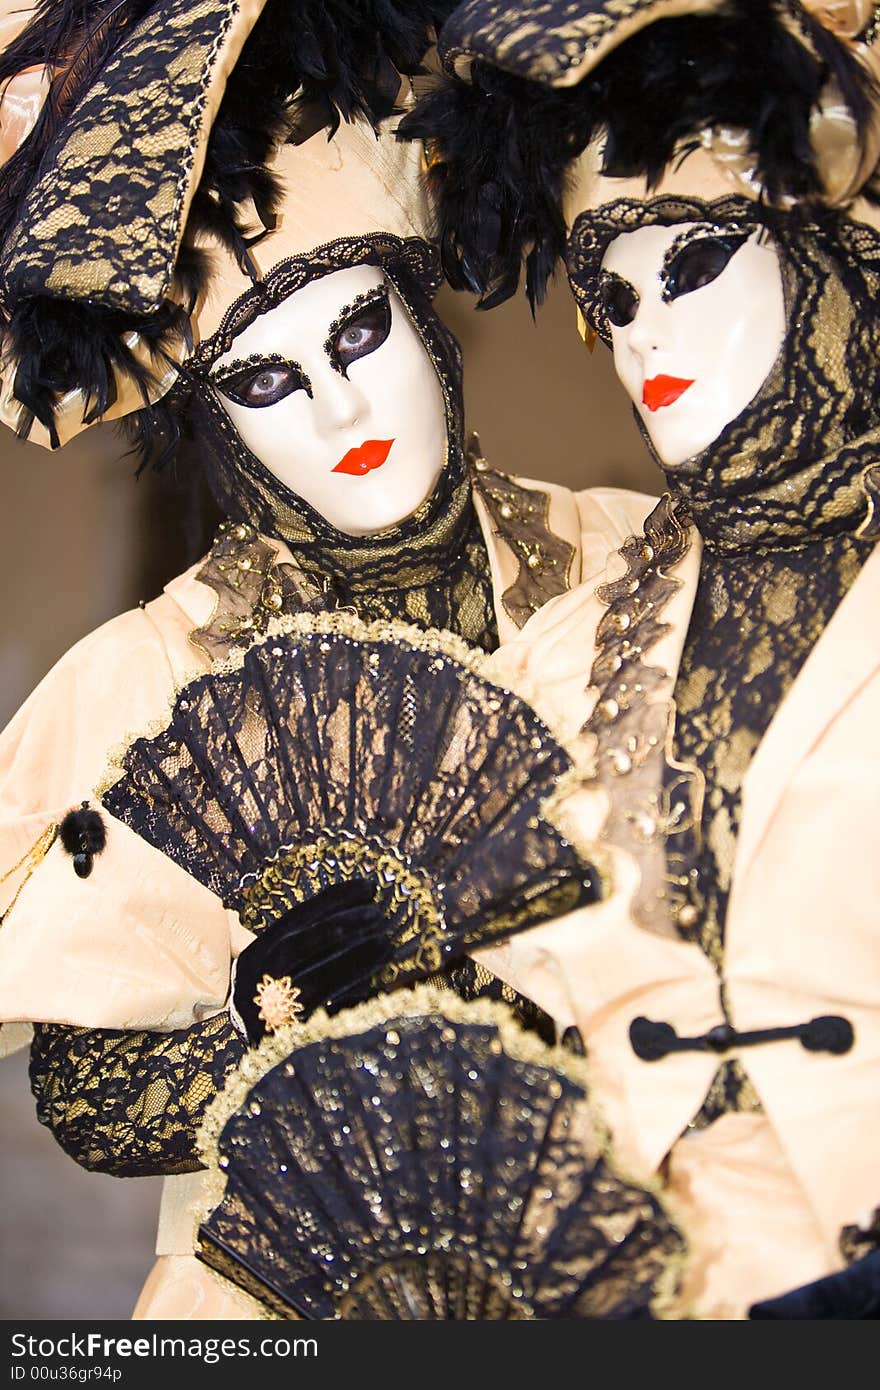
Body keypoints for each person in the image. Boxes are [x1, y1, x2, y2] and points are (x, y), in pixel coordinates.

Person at [0, 0, 620, 1319]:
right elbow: (89, 1084)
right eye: (267, 381)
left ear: (424, 320)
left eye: (356, 335)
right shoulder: (164, 675)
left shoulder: (634, 563)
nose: (339, 408)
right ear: (215, 420)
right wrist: (260, 1018)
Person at [401, 0, 880, 1317]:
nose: (645, 333)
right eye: (611, 294)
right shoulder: (570, 656)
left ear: (834, 244)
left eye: (697, 262)